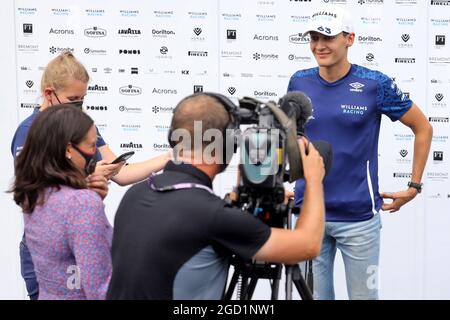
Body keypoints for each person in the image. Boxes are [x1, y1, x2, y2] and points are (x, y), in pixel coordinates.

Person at [107, 93, 326, 300]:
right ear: (227, 145)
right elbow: (308, 245)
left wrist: (239, 196)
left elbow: (189, 225)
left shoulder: (136, 194)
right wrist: (314, 181)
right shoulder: (212, 216)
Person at [288, 5, 433, 300]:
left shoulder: (374, 84)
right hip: (308, 215)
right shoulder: (298, 81)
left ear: (349, 39)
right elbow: (292, 138)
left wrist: (414, 186)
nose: (319, 45)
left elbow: (423, 128)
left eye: (327, 37)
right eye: (313, 38)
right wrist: (285, 183)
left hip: (359, 220)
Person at [10, 51, 171, 300]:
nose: (79, 107)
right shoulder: (29, 132)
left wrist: (169, 158)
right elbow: (36, 196)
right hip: (48, 249)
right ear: (49, 93)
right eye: (72, 99)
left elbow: (121, 172)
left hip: (78, 241)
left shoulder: (80, 126)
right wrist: (86, 183)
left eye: (82, 99)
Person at [10, 105, 113, 299]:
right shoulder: (81, 204)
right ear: (68, 149)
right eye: (91, 145)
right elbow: (100, 290)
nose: (95, 153)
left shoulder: (35, 194)